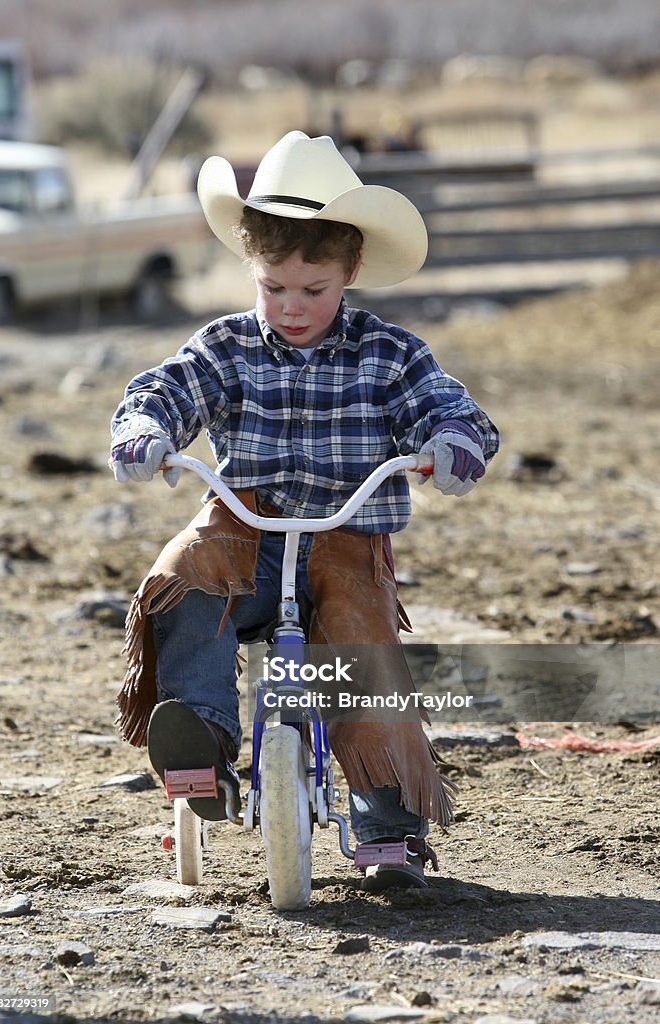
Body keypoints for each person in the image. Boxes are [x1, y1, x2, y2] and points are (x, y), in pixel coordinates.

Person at [109, 131, 499, 892]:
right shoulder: (225, 347)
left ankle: (388, 831)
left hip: (344, 539)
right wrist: (144, 431)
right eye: (271, 287)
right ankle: (202, 742)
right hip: (243, 532)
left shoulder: (389, 355)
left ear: (350, 271)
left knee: (361, 652)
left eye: (311, 291)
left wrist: (451, 443)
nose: (290, 307)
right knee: (183, 578)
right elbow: (166, 388)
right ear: (250, 269)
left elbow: (447, 406)